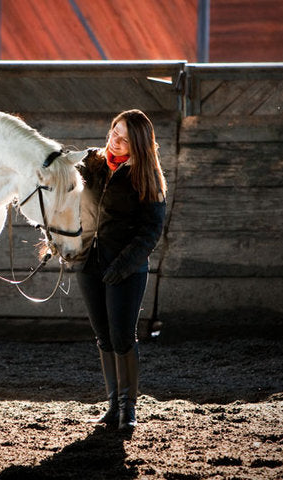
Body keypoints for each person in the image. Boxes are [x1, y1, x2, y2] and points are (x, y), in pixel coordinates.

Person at [75, 109, 167, 430]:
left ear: (138, 144)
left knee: (122, 336)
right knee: (103, 337)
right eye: (115, 131)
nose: (115, 141)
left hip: (125, 269)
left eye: (124, 139)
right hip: (88, 264)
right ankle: (113, 405)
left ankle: (129, 409)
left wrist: (125, 264)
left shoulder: (147, 177)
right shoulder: (91, 163)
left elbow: (151, 230)